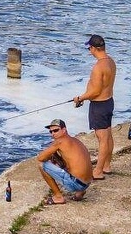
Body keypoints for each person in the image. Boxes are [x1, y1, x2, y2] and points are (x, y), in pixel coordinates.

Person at [71, 34, 117, 178]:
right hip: (109, 102)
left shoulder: (98, 67)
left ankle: (98, 171)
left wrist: (80, 98)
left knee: (102, 138)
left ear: (93, 48)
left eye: (89, 48)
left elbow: (96, 91)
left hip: (99, 106)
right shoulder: (111, 61)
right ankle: (107, 166)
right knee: (108, 135)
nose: (89, 51)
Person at [37, 119, 93, 204]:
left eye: (56, 130)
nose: (53, 133)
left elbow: (40, 158)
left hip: (76, 184)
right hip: (87, 183)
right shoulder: (75, 140)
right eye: (51, 131)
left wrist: (49, 156)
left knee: (42, 165)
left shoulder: (59, 141)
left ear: (64, 130)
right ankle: (80, 192)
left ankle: (58, 197)